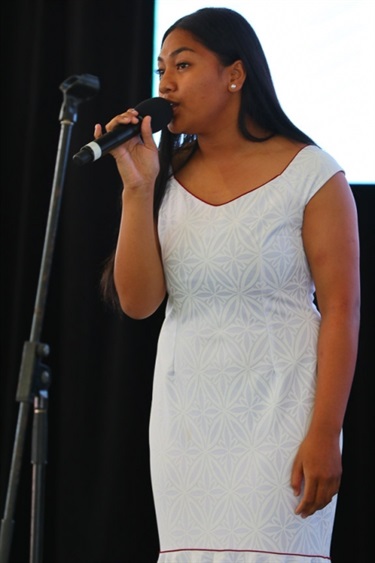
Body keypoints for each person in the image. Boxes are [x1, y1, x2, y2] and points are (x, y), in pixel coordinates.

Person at [97, 7, 360, 562]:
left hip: (283, 419)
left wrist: (326, 432)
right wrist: (136, 191)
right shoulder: (162, 174)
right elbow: (140, 304)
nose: (165, 83)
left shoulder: (313, 174)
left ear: (235, 74)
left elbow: (341, 309)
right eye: (160, 69)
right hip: (186, 425)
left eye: (184, 64)